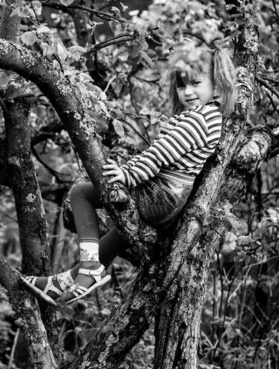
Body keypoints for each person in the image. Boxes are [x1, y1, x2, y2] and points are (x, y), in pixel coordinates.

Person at [21, 42, 236, 306]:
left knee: (81, 193)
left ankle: (89, 267)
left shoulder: (198, 119)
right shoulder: (210, 116)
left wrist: (128, 173)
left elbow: (160, 154)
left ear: (216, 84)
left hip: (161, 194)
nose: (188, 92)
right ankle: (61, 283)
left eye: (196, 83)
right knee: (120, 232)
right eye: (181, 86)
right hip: (171, 200)